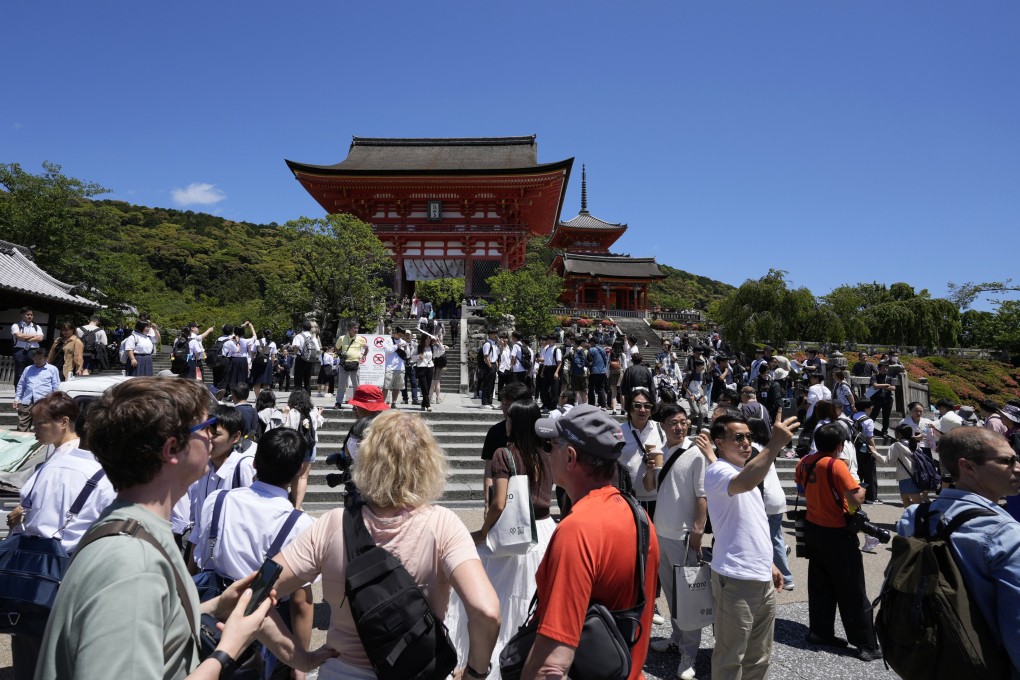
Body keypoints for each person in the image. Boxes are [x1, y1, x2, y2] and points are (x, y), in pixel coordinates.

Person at [33, 377, 319, 680]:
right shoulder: (133, 561)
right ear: (172, 449)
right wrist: (228, 650)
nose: (212, 437)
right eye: (206, 428)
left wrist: (214, 605)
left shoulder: (131, 528)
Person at [266, 409, 501, 680]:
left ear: (365, 458)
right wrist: (475, 673)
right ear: (429, 462)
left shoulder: (331, 524)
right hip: (419, 670)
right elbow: (486, 611)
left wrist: (298, 658)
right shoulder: (443, 524)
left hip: (342, 670)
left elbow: (253, 595)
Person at [525, 405, 660, 680]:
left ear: (570, 457)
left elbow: (554, 663)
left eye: (552, 445)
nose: (548, 453)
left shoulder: (577, 529)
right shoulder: (639, 516)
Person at [5, 393, 116, 680]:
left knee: (29, 644)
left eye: (40, 423)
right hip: (75, 569)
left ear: (66, 422)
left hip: (35, 570)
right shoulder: (104, 475)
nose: (35, 429)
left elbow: (25, 514)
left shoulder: (47, 468)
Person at [190, 427, 316, 680]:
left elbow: (194, 559)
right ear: (300, 469)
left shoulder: (218, 499)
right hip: (260, 627)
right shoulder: (300, 524)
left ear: (256, 462)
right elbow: (301, 603)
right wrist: (298, 663)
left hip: (207, 614)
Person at [895, 427, 1020, 675]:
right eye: (1007, 461)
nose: (1017, 467)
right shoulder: (1006, 533)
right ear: (968, 467)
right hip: (986, 664)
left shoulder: (914, 516)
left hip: (927, 653)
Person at [448, 400, 555, 677]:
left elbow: (498, 503)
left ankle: (487, 662)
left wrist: (483, 532)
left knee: (495, 594)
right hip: (543, 530)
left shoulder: (503, 455)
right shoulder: (546, 452)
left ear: (514, 422)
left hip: (512, 532)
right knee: (531, 597)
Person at [695, 411, 798, 680]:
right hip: (736, 577)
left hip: (760, 574)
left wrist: (770, 562)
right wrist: (774, 444)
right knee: (731, 656)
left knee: (759, 654)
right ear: (719, 442)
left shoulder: (742, 470)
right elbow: (743, 482)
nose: (746, 443)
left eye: (749, 437)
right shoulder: (719, 471)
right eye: (738, 437)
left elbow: (753, 525)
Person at [795, 422, 882, 661]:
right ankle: (866, 643)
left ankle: (819, 632)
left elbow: (801, 489)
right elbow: (855, 498)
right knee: (852, 588)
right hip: (837, 531)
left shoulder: (804, 462)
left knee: (820, 583)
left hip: (813, 528)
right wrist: (862, 488)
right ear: (840, 445)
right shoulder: (836, 465)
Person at [649, 403, 705, 680]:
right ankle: (676, 637)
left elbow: (702, 495)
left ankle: (689, 652)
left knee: (689, 597)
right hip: (661, 532)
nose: (679, 427)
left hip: (683, 535)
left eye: (683, 422)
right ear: (663, 425)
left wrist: (698, 530)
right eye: (674, 422)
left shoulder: (695, 454)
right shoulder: (665, 451)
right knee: (672, 594)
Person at [283, 389, 324, 510]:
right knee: (303, 477)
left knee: (292, 476)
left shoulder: (292, 412)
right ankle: (298, 506)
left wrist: (284, 414)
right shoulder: (312, 411)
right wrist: (319, 414)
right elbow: (318, 425)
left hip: (295, 446)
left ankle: (289, 501)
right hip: (310, 447)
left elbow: (286, 427)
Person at [12, 348, 61, 431]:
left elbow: (56, 386)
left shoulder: (52, 369)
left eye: (40, 358)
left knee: (41, 424)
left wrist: (54, 401)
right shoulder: (28, 369)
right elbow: (21, 385)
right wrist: (17, 399)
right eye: (35, 358)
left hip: (43, 400)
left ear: (46, 358)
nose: (37, 360)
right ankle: (22, 440)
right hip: (27, 400)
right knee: (22, 423)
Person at [877, 422, 925, 507]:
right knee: (916, 500)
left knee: (907, 500)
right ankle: (917, 518)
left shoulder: (896, 445)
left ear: (898, 434)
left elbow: (888, 461)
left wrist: (875, 454)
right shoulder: (914, 444)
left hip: (905, 476)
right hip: (916, 475)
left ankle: (914, 518)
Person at [851, 399, 881, 503]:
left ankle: (854, 494)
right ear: (866, 408)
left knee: (857, 472)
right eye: (871, 408)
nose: (872, 409)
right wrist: (874, 450)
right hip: (864, 448)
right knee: (870, 473)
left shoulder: (850, 418)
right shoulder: (868, 420)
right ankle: (871, 496)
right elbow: (869, 437)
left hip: (852, 448)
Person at [10, 307, 44, 387]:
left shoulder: (37, 327)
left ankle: (31, 391)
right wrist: (33, 336)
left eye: (31, 315)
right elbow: (18, 336)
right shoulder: (16, 325)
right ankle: (18, 393)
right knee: (19, 372)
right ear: (21, 315)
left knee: (34, 371)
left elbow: (40, 338)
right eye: (27, 314)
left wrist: (25, 338)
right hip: (19, 351)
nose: (30, 316)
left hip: (34, 351)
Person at [334, 321, 366, 408]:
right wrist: (340, 355)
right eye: (354, 328)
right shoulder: (341, 338)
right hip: (344, 364)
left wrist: (364, 355)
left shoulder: (360, 339)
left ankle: (356, 403)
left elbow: (366, 348)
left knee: (356, 385)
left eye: (357, 328)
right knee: (341, 384)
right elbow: (336, 348)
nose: (356, 330)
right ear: (349, 329)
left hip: (355, 364)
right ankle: (338, 402)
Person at [290, 320, 320, 394]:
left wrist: (295, 353)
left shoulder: (298, 336)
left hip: (300, 358)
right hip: (310, 359)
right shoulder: (313, 338)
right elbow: (318, 349)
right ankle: (307, 396)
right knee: (307, 379)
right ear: (310, 328)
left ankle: (298, 395)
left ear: (302, 328)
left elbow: (296, 347)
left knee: (298, 378)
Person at [868, 362, 896, 438]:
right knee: (873, 415)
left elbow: (893, 388)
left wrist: (880, 386)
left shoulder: (890, 378)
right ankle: (869, 430)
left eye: (887, 368)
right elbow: (875, 386)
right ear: (879, 369)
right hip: (876, 399)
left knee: (886, 416)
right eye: (884, 368)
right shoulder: (874, 377)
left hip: (887, 399)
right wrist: (887, 385)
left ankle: (884, 431)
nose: (885, 369)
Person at [382, 326, 408, 407]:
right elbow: (387, 351)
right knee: (386, 386)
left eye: (402, 334)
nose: (400, 336)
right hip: (390, 367)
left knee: (397, 387)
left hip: (400, 368)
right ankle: (381, 403)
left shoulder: (403, 341)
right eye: (399, 334)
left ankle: (394, 403)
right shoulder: (387, 340)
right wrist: (397, 346)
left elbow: (407, 355)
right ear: (395, 332)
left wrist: (406, 348)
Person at [416, 332, 436, 412]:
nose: (428, 341)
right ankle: (428, 405)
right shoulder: (419, 347)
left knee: (427, 387)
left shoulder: (431, 347)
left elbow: (441, 351)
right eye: (426, 339)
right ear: (423, 339)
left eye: (429, 339)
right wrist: (418, 356)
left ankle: (423, 404)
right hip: (421, 368)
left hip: (430, 367)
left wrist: (438, 342)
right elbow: (411, 356)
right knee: (424, 387)